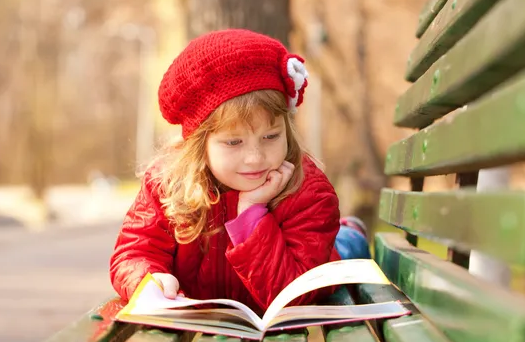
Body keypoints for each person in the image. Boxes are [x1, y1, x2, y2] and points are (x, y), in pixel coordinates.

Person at [109, 29, 370, 315]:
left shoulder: (308, 190)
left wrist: (251, 214)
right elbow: (134, 251)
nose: (255, 157)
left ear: (287, 131)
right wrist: (148, 279)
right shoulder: (167, 185)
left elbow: (295, 294)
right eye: (234, 142)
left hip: (310, 260)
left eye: (271, 137)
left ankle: (351, 234)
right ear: (199, 144)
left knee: (342, 253)